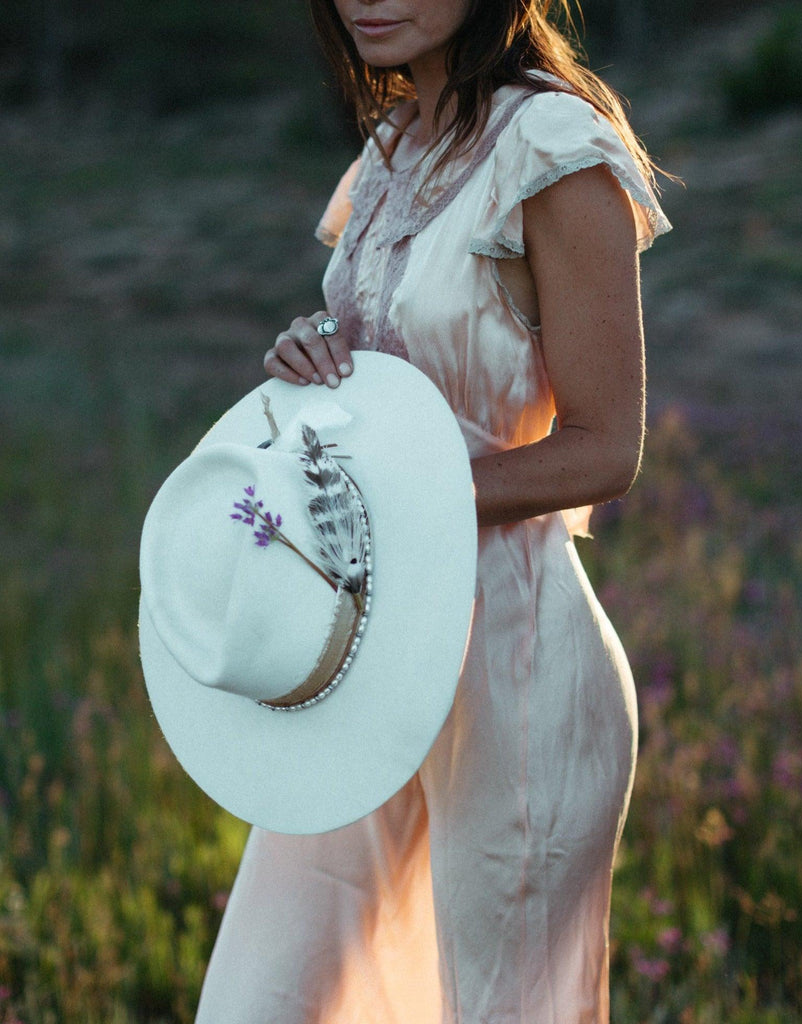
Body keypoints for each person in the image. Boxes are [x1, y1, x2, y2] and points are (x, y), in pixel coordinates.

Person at [194, 1, 670, 1021]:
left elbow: (606, 444)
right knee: (254, 1003)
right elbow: (401, 385)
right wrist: (315, 364)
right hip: (360, 654)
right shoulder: (393, 148)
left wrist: (400, 499)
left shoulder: (551, 146)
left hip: (514, 665)